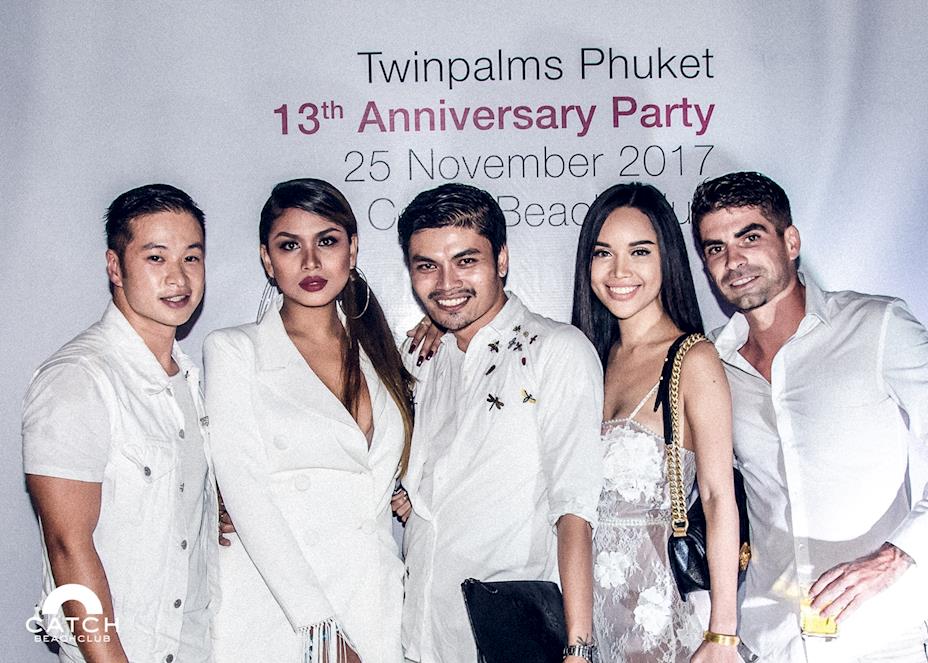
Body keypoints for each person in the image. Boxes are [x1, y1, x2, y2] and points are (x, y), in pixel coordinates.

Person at [691, 171, 928, 662]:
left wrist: (893, 558)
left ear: (791, 242)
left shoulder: (876, 326)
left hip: (880, 639)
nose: (734, 260)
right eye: (716, 248)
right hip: (772, 641)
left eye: (750, 237)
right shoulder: (712, 365)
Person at [204, 178, 413, 663]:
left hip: (373, 602)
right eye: (289, 245)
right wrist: (319, 631)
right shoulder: (235, 351)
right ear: (267, 259)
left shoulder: (388, 357)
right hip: (277, 611)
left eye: (327, 241)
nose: (311, 262)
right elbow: (245, 492)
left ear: (352, 249)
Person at [394, 182, 604, 663]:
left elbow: (574, 507)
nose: (446, 283)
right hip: (422, 634)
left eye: (465, 261)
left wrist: (578, 648)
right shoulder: (419, 356)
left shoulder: (556, 351)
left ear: (501, 259)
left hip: (513, 637)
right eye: (427, 266)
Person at [22, 184, 215, 663]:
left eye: (191, 258)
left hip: (194, 646)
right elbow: (68, 546)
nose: (178, 278)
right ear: (115, 266)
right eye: (156, 258)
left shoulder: (190, 378)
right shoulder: (78, 378)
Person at [571, 183, 742, 663]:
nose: (619, 271)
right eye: (603, 253)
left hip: (661, 611)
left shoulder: (694, 358)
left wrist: (722, 633)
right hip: (590, 616)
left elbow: (718, 496)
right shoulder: (587, 358)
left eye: (639, 251)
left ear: (667, 258)